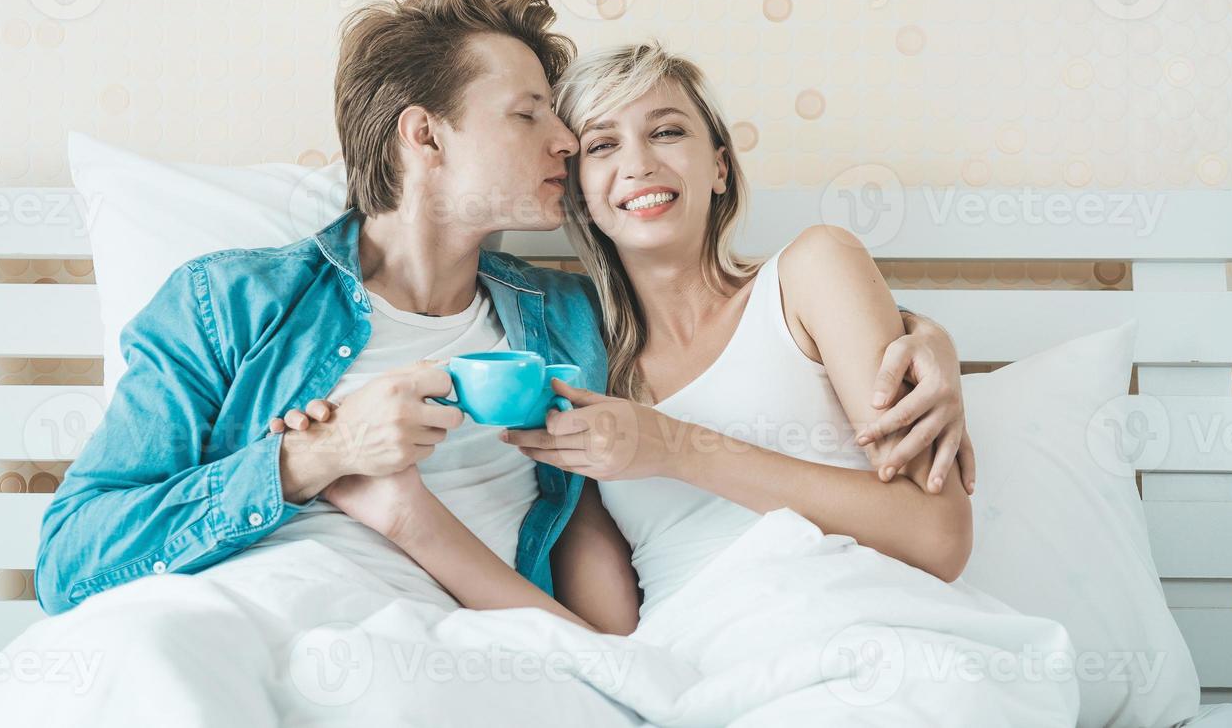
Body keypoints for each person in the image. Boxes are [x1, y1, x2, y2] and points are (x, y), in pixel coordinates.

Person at [35, 0, 968, 626]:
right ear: (425, 138)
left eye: (578, 129)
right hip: (245, 621)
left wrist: (922, 337)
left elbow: (728, 342)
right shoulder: (231, 304)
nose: (567, 145)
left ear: (722, 165)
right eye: (537, 119)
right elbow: (72, 564)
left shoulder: (564, 325)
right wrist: (308, 463)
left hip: (476, 663)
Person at [276, 40, 974, 637]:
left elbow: (939, 538)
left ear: (721, 166)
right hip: (702, 675)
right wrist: (411, 520)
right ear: (576, 189)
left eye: (667, 132)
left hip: (866, 626)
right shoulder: (581, 361)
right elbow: (605, 643)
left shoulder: (811, 272)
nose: (637, 163)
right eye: (604, 145)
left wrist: (670, 446)